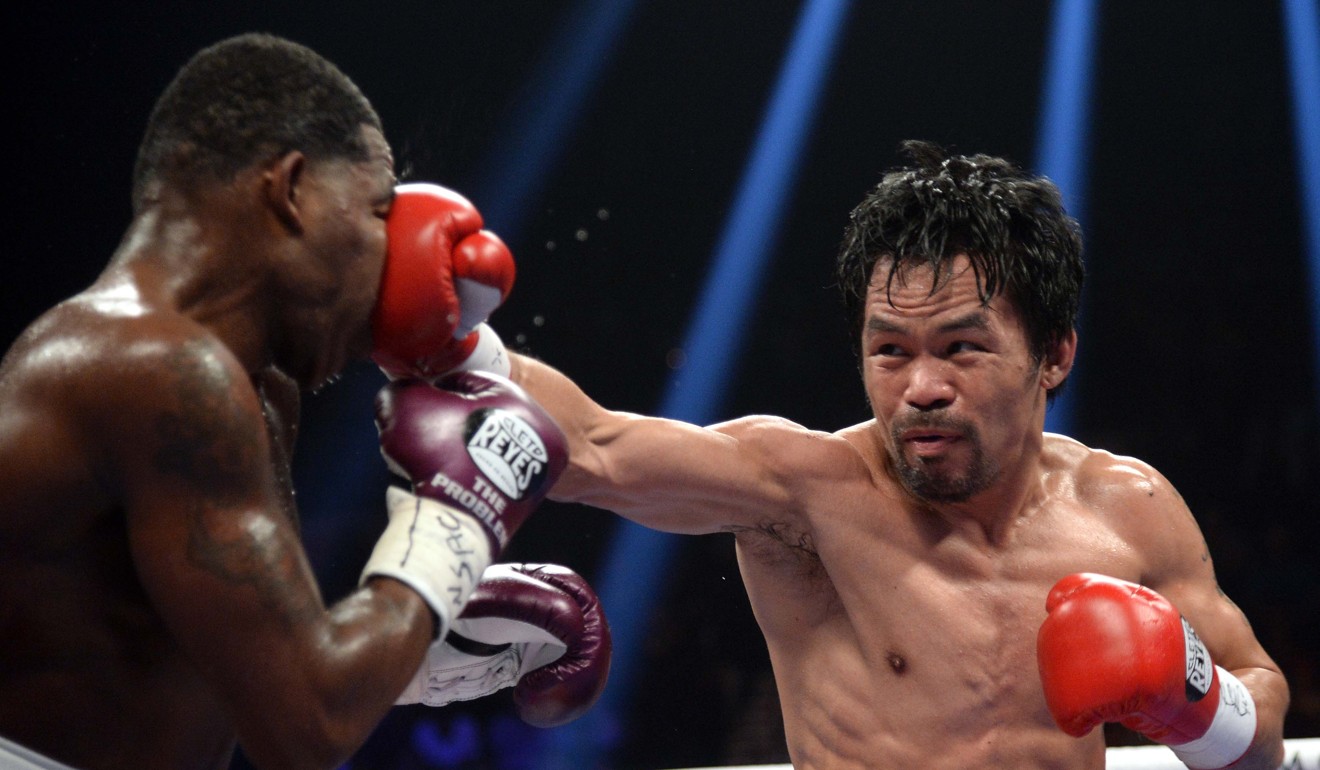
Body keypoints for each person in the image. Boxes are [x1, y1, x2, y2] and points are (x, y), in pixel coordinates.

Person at [455, 141, 1290, 768]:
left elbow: (1260, 719)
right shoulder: (805, 492)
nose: (921, 386)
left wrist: (1199, 704)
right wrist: (449, 334)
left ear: (1055, 355)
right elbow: (594, 446)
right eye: (890, 351)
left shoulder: (1131, 509)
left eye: (961, 347)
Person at [0, 33, 608, 770]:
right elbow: (305, 733)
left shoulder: (257, 390)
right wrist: (458, 517)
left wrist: (416, 641)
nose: (392, 254)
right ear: (290, 189)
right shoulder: (152, 368)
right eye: (377, 208)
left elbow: (267, 677)